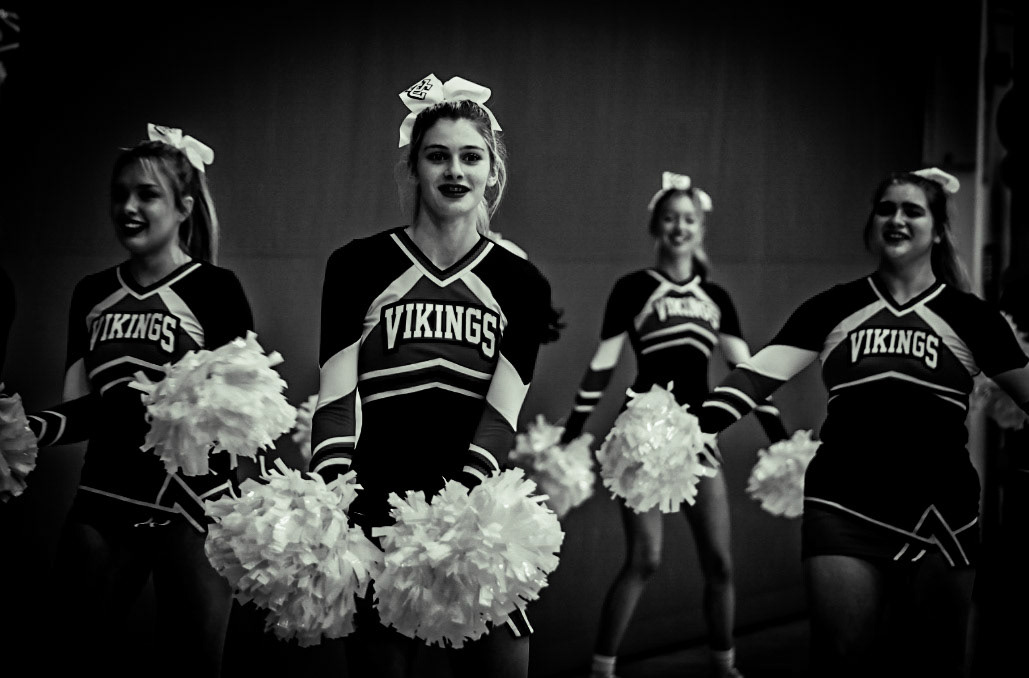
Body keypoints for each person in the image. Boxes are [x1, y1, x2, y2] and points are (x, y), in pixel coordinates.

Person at [696, 169, 1029, 677]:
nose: (897, 219)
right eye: (886, 208)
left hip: (940, 512)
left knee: (934, 666)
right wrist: (695, 429)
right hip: (844, 504)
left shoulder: (971, 316)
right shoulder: (834, 306)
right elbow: (757, 376)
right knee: (840, 661)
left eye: (912, 210)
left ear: (939, 230)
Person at [309, 73, 557, 678]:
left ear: (492, 171)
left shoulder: (522, 283)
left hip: (472, 515)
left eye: (471, 157)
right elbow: (336, 401)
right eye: (437, 156)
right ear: (414, 167)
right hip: (374, 506)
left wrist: (456, 514)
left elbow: (501, 415)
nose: (454, 170)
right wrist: (335, 504)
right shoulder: (358, 265)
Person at [23, 125, 255, 678]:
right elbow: (81, 408)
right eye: (120, 193)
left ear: (184, 207)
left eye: (146, 194)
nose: (128, 207)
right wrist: (26, 429)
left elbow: (245, 414)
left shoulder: (215, 288)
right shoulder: (92, 292)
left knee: (193, 668)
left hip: (194, 507)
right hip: (105, 498)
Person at [561, 172, 788, 678]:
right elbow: (602, 364)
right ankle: (601, 670)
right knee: (644, 558)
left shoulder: (716, 298)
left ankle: (724, 667)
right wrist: (572, 431)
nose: (679, 227)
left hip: (698, 435)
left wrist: (780, 439)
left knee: (720, 563)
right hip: (642, 435)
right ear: (655, 226)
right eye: (670, 219)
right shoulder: (633, 288)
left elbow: (748, 372)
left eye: (688, 220)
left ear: (700, 228)